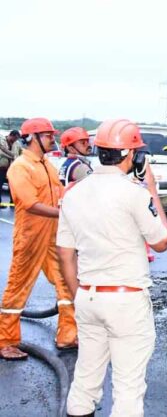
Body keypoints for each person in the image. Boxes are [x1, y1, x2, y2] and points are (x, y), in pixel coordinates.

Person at [57, 119, 167, 416]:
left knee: (85, 380)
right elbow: (162, 241)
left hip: (87, 296)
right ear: (132, 155)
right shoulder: (135, 193)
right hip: (126, 300)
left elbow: (65, 254)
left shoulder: (73, 194)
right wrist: (151, 188)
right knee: (128, 387)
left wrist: (78, 295)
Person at [0, 118, 77, 361]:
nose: (53, 139)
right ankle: (6, 341)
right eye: (47, 135)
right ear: (32, 138)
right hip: (30, 237)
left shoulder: (47, 165)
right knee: (18, 287)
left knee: (66, 283)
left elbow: (61, 195)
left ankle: (68, 335)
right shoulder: (21, 167)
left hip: (54, 235)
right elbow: (30, 204)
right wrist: (64, 213)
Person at [0, 130, 20, 205]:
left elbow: (20, 153)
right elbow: (1, 152)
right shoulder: (2, 141)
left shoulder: (17, 144)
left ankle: (13, 202)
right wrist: (13, 156)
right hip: (2, 167)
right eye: (15, 138)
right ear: (11, 135)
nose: (15, 140)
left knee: (13, 186)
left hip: (12, 169)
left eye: (17, 139)